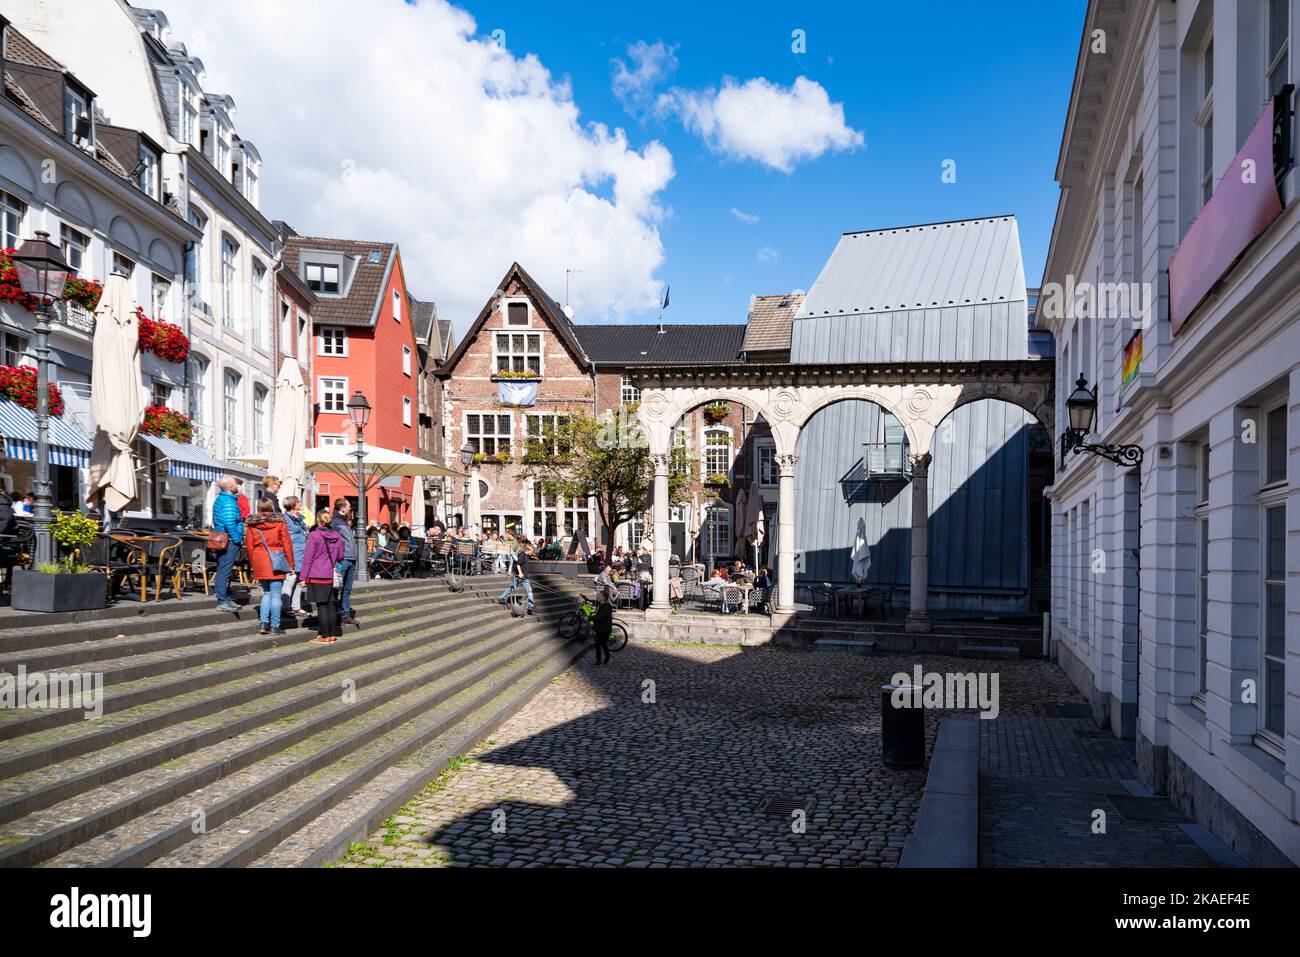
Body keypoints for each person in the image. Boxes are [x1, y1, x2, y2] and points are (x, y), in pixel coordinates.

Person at [245, 498, 295, 636]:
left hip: (259, 559)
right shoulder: (280, 523)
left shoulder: (252, 524)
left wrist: (252, 561)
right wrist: (291, 564)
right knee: (276, 595)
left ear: (259, 508)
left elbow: (249, 546)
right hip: (276, 559)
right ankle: (274, 625)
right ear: (272, 507)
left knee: (266, 593)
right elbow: (287, 544)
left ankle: (263, 623)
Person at [300, 507, 345, 644]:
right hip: (331, 574)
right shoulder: (337, 536)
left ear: (318, 521)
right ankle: (331, 634)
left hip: (317, 574)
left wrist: (303, 577)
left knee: (322, 606)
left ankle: (324, 635)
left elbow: (308, 558)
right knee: (331, 604)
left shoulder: (314, 535)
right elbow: (341, 556)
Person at [212, 476, 245, 613]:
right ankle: (222, 601)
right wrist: (237, 539)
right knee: (224, 571)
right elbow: (229, 522)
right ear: (231, 487)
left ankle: (225, 598)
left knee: (223, 570)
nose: (237, 485)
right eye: (235, 483)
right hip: (229, 540)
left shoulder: (222, 499)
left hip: (223, 539)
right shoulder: (229, 502)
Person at [331, 498, 359, 625]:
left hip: (351, 558)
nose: (349, 509)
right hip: (343, 559)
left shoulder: (344, 522)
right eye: (348, 507)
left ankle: (345, 614)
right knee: (337, 588)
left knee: (347, 589)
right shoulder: (335, 522)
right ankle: (335, 614)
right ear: (342, 508)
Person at [281, 495, 310, 617]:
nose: (300, 503)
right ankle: (286, 607)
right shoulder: (286, 519)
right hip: (292, 552)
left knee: (299, 580)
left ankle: (296, 606)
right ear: (293, 505)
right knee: (290, 579)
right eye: (298, 502)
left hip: (302, 551)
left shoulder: (299, 518)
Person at [498, 542, 535, 614]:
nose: (532, 552)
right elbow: (518, 564)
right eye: (532, 551)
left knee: (529, 591)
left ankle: (531, 606)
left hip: (525, 578)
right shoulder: (522, 555)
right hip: (518, 576)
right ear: (527, 550)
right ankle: (502, 598)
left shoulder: (527, 556)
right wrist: (520, 573)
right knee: (512, 587)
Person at [591, 588, 613, 666]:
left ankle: (599, 661)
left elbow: (600, 617)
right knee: (602, 644)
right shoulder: (599, 604)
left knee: (598, 644)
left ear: (604, 597)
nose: (598, 596)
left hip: (605, 629)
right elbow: (594, 602)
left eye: (599, 595)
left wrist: (590, 618)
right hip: (599, 628)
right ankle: (606, 655)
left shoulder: (607, 607)